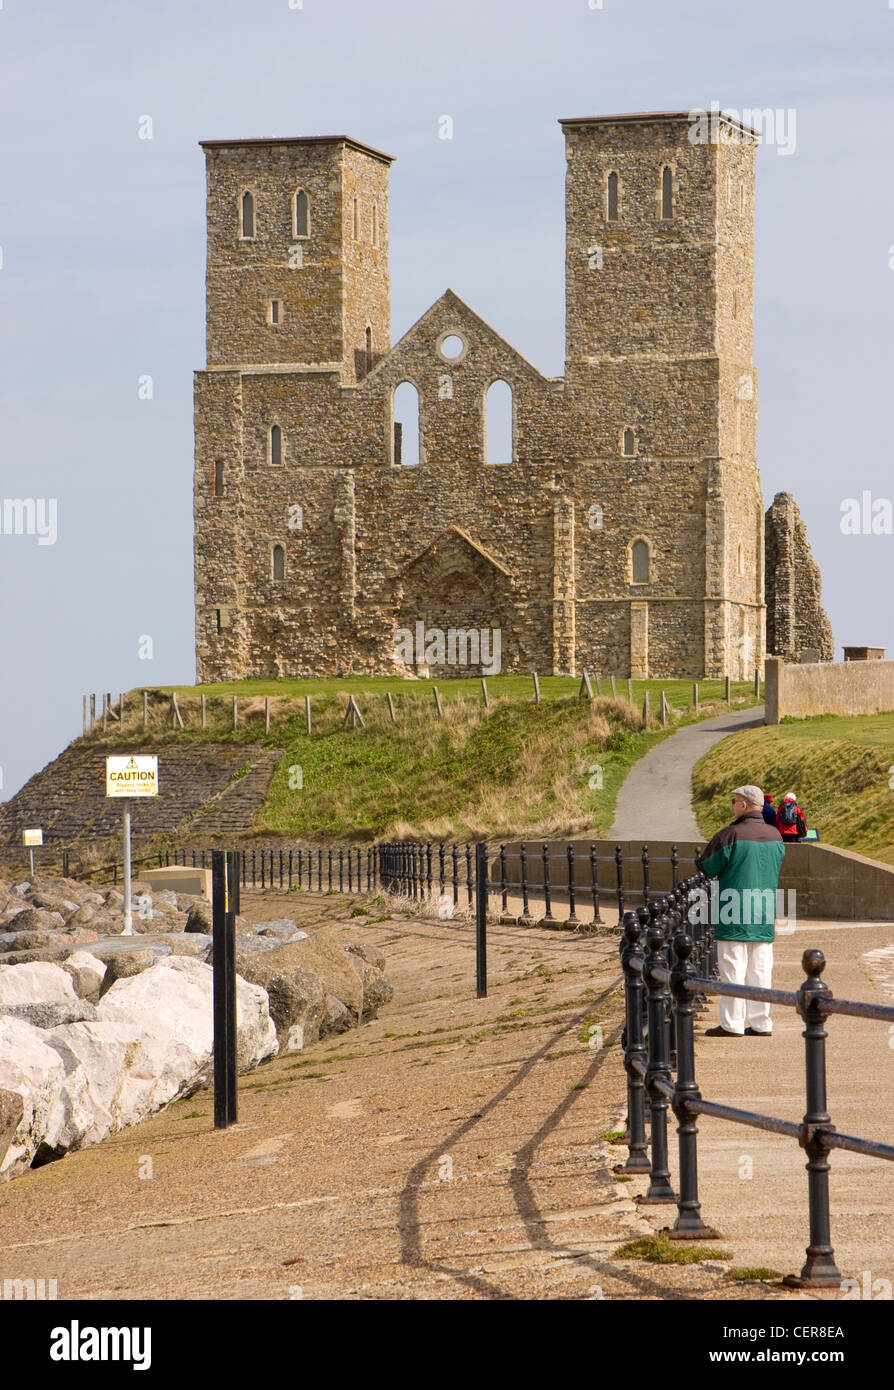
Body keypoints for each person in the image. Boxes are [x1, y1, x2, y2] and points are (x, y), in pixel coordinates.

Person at [696, 784, 785, 1037]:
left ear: (743, 804)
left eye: (734, 801)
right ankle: (761, 1022)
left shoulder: (730, 835)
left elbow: (706, 865)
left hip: (733, 910)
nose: (733, 805)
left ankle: (732, 1023)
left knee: (733, 967)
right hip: (764, 911)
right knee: (761, 969)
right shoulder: (776, 836)